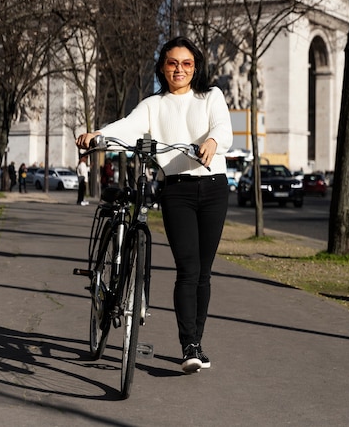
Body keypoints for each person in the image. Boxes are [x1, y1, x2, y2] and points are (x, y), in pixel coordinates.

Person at [76, 36, 233, 374]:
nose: (180, 69)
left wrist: (212, 140)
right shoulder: (153, 104)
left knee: (204, 273)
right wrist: (98, 135)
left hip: (215, 189)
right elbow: (128, 127)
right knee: (188, 268)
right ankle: (188, 344)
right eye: (173, 63)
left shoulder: (211, 96)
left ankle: (197, 341)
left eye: (187, 63)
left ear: (196, 67)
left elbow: (223, 126)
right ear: (162, 66)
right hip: (176, 190)